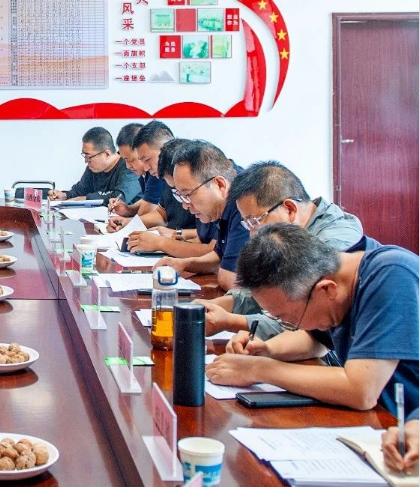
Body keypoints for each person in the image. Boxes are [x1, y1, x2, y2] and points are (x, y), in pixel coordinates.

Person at [207, 224, 419, 414]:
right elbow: (314, 339)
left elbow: (362, 390)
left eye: (288, 318)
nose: (291, 325)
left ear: (326, 289)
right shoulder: (328, 281)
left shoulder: (392, 275)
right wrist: (267, 350)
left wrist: (257, 369)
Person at [196, 161, 367, 338]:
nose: (252, 234)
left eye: (255, 221)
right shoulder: (287, 238)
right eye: (247, 224)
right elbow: (268, 290)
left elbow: (302, 322)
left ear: (290, 209)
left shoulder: (334, 244)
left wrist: (229, 321)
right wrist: (217, 305)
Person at [152, 140, 248, 290]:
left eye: (187, 195)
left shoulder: (244, 203)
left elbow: (230, 279)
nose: (185, 205)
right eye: (180, 196)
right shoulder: (220, 207)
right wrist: (185, 264)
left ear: (220, 185)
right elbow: (219, 255)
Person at [124, 138, 213, 259]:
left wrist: (161, 243)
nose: (184, 204)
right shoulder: (169, 179)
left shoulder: (222, 199)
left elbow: (213, 252)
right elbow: (201, 238)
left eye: (186, 194)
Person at [48, 126, 141, 203]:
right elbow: (80, 191)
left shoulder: (130, 166)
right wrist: (64, 195)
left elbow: (119, 198)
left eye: (89, 157)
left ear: (107, 154)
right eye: (84, 156)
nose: (86, 161)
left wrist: (87, 199)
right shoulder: (93, 168)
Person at [108, 122, 165, 221]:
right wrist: (128, 209)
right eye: (125, 160)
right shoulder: (145, 173)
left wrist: (126, 222)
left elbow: (148, 210)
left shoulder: (155, 173)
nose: (128, 166)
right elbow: (147, 199)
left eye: (131, 160)